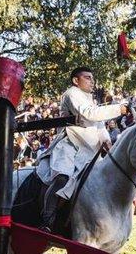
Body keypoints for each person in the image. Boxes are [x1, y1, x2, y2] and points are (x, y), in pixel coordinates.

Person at [34, 67, 128, 232]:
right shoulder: (72, 93)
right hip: (70, 144)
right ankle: (47, 221)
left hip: (90, 149)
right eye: (87, 77)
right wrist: (117, 109)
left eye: (92, 78)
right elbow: (89, 114)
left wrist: (106, 140)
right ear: (75, 81)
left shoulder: (90, 99)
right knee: (63, 178)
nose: (92, 81)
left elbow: (98, 124)